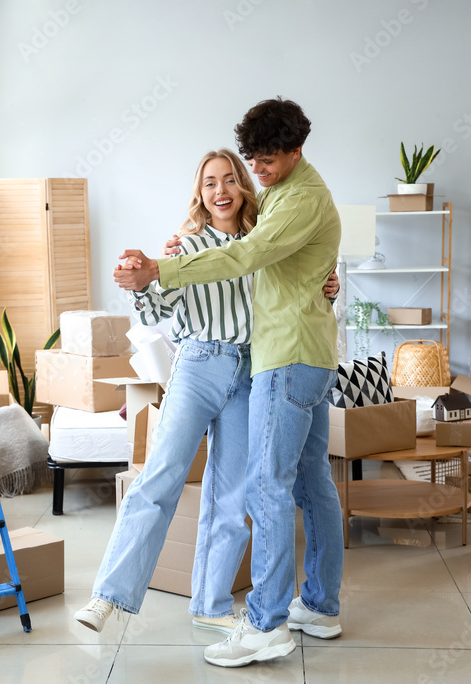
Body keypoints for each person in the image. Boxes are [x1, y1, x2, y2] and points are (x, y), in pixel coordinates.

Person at [113, 97, 344, 668]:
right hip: (308, 356)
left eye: (267, 162)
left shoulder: (300, 201)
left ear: (296, 151)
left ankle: (265, 624)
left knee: (266, 486)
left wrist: (160, 269)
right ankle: (319, 606)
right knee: (312, 484)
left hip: (284, 359)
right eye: (253, 162)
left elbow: (245, 255)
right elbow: (244, 229)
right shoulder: (284, 193)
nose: (256, 173)